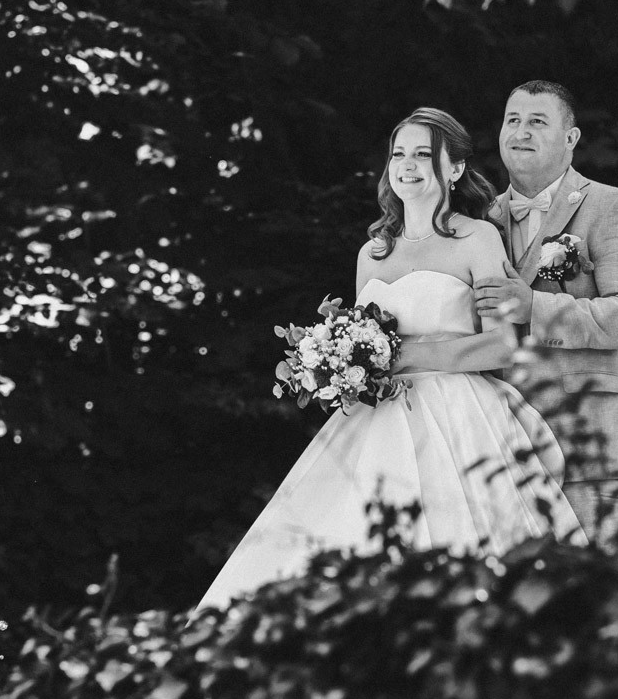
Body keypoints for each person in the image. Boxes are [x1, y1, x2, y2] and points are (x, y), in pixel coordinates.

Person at [197, 109, 580, 611]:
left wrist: (405, 355)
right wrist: (340, 364)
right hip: (378, 415)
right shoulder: (373, 252)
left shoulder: (478, 238)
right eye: (399, 154)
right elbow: (364, 334)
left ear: (455, 169)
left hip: (457, 410)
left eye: (423, 154)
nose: (407, 165)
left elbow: (503, 345)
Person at [475, 80, 618, 542]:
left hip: (587, 441)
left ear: (571, 138)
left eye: (538, 122)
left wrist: (535, 306)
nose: (521, 132)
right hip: (497, 443)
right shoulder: (478, 221)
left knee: (590, 580)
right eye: (513, 120)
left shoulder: (612, 206)